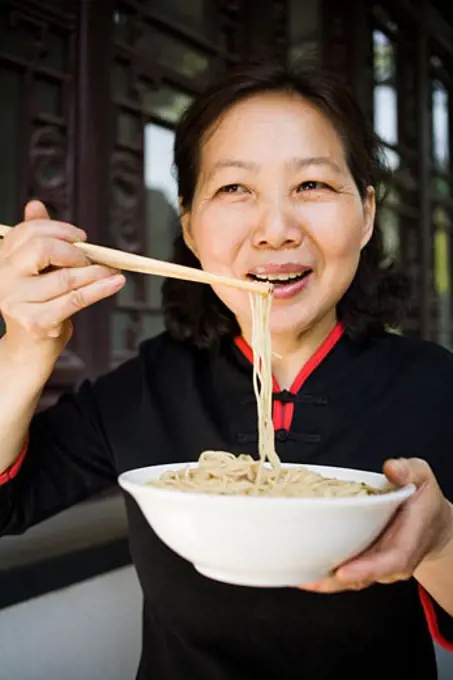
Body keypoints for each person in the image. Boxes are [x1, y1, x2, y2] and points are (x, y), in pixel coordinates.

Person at [0, 61, 452, 680]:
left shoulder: (436, 388)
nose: (276, 230)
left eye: (313, 185)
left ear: (367, 214)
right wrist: (25, 346)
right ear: (189, 225)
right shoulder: (147, 386)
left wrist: (441, 541)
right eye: (235, 189)